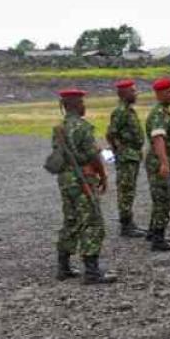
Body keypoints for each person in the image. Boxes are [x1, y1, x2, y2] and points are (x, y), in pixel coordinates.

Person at [52, 88, 116, 284]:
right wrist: (103, 176)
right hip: (83, 180)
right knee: (93, 222)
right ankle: (92, 272)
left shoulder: (59, 129)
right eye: (82, 103)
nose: (84, 106)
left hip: (66, 181)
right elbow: (92, 156)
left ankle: (63, 267)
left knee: (71, 220)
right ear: (76, 105)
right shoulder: (82, 127)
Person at [145, 77, 170, 251]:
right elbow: (158, 138)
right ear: (160, 94)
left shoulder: (163, 112)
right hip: (160, 163)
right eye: (169, 92)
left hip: (164, 161)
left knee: (160, 198)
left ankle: (153, 232)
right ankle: (158, 240)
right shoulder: (158, 114)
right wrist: (164, 163)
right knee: (163, 200)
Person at [106, 79, 146, 238]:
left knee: (130, 190)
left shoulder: (129, 110)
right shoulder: (120, 111)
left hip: (133, 156)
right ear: (123, 94)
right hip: (126, 157)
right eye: (132, 91)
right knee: (126, 191)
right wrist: (120, 151)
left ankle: (130, 223)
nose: (135, 94)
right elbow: (111, 134)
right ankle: (126, 226)